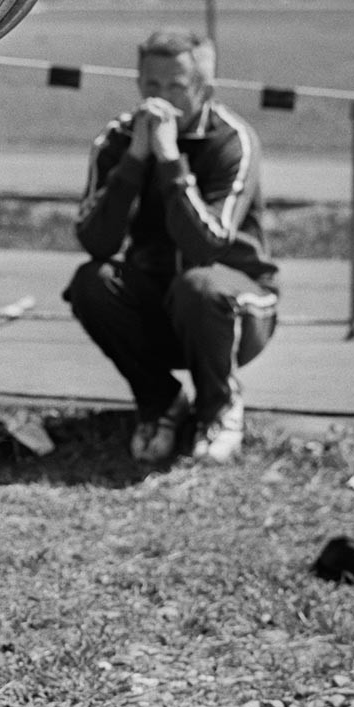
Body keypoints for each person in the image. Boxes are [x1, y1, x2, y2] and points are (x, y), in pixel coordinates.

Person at [63, 28, 279, 466]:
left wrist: (169, 160)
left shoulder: (232, 140)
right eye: (151, 85)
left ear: (205, 89)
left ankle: (219, 408)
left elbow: (206, 244)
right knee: (91, 282)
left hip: (236, 306)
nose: (160, 99)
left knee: (199, 285)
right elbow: (95, 241)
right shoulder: (118, 139)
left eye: (176, 87)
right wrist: (135, 161)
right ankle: (161, 402)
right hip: (161, 303)